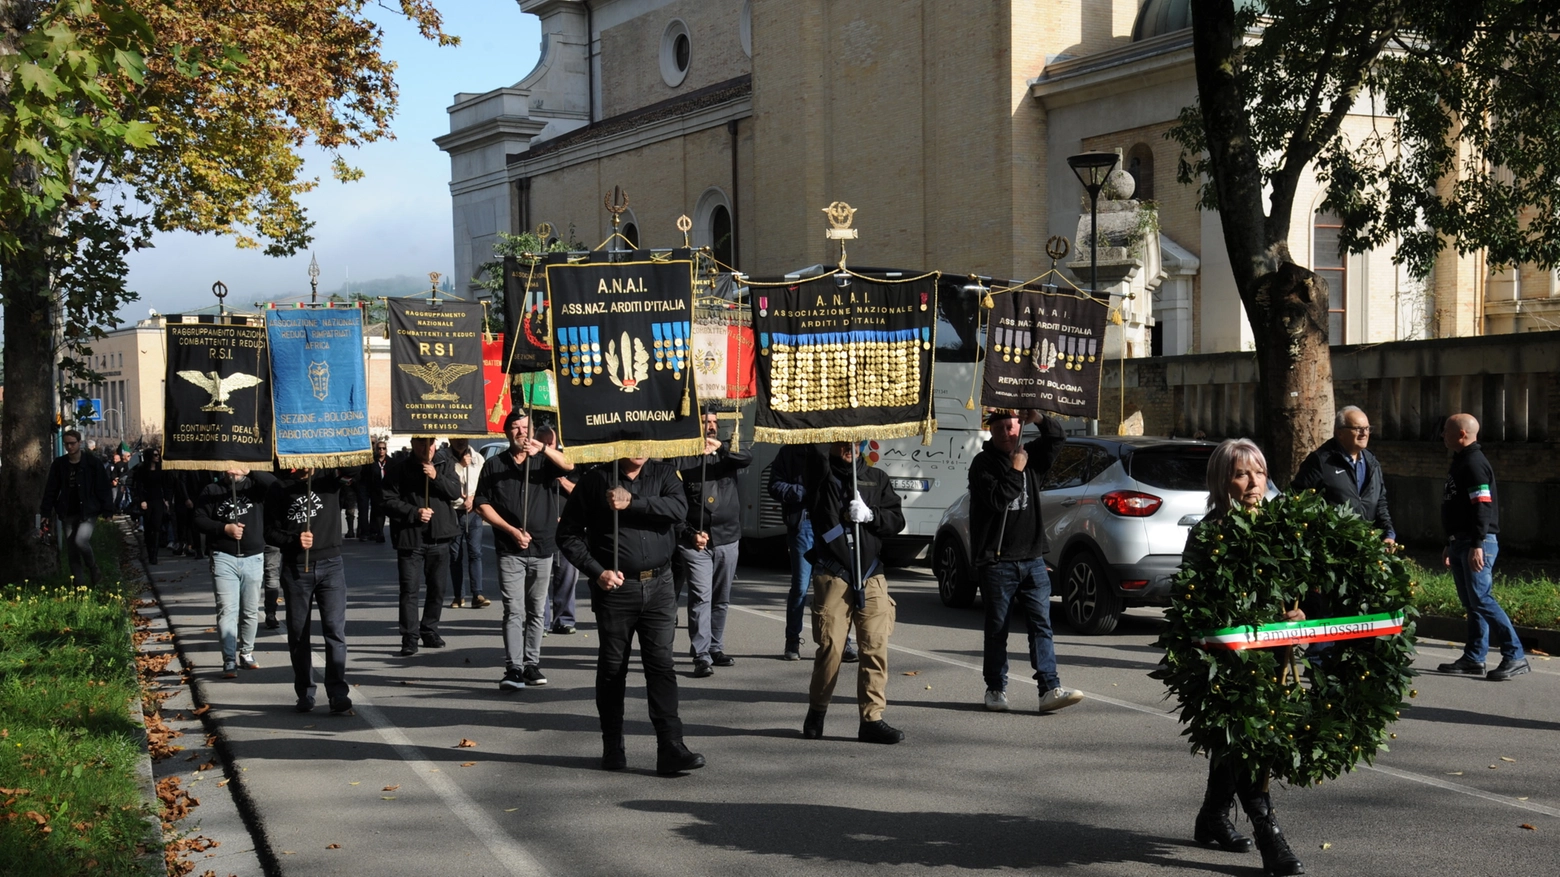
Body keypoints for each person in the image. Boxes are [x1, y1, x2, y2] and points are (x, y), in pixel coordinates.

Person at [1179, 439, 1305, 876]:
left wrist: (1296, 609)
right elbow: (1191, 600)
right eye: (1241, 474)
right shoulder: (1207, 533)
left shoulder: (1278, 526)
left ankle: (1213, 816)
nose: (1253, 483)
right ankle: (1270, 837)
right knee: (1247, 741)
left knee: (1243, 740)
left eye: (1259, 473)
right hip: (1228, 659)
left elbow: (1292, 587)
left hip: (1272, 655)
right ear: (1222, 481)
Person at [557, 455, 704, 776]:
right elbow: (567, 535)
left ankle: (671, 746)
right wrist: (597, 572)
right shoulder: (596, 480)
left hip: (661, 585)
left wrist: (633, 502)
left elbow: (678, 510)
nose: (637, 449)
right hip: (615, 590)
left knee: (662, 666)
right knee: (613, 668)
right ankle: (612, 745)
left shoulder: (664, 474)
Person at [967, 409, 1083, 714]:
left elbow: (1057, 438)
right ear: (991, 430)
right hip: (998, 560)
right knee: (997, 629)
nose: (1008, 433)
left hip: (1031, 557)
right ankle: (995, 688)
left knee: (1041, 625)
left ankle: (1049, 688)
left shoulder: (1031, 456)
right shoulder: (982, 465)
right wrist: (1016, 470)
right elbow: (997, 500)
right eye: (1001, 427)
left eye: (1013, 426)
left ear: (1021, 427)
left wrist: (1039, 418)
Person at [800, 441, 906, 745]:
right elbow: (813, 456)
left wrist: (872, 516)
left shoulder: (877, 478)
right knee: (831, 648)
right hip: (834, 573)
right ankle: (817, 710)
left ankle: (872, 718)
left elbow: (897, 520)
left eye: (855, 439)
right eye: (842, 438)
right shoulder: (820, 476)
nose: (849, 445)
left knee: (874, 647)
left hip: (872, 574)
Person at [475, 412, 574, 691]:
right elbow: (482, 504)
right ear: (506, 433)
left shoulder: (544, 461)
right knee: (513, 610)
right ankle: (514, 667)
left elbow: (569, 464)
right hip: (510, 550)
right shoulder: (494, 465)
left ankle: (532, 664)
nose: (521, 432)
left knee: (536, 611)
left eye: (525, 427)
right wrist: (511, 530)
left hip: (543, 548)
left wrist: (543, 448)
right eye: (515, 427)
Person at [1435, 413, 1528, 681]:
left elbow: (1482, 506)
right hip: (1460, 542)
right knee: (1472, 602)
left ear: (1462, 434)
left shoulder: (1474, 463)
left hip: (1477, 543)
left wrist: (1477, 544)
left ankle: (1515, 654)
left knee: (1482, 599)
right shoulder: (1461, 461)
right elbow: (1458, 507)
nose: (1443, 435)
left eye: (1446, 431)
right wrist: (1449, 542)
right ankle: (1475, 658)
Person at [266, 468, 354, 713]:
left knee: (335, 630)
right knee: (298, 633)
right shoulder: (279, 487)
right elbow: (269, 531)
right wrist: (294, 540)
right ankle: (305, 692)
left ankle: (337, 692)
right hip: (296, 569)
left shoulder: (329, 479)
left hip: (331, 565)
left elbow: (353, 471)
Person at [675, 412, 752, 678]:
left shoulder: (727, 456)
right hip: (696, 541)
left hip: (728, 538)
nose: (710, 427)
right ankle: (701, 654)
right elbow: (675, 505)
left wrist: (721, 448)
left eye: (714, 423)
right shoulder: (682, 458)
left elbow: (747, 458)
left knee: (721, 599)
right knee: (700, 597)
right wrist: (688, 533)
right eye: (705, 422)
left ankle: (716, 648)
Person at [769, 443, 856, 662]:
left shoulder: (833, 446)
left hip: (831, 525)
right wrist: (804, 490)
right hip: (803, 525)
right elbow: (775, 486)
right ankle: (792, 641)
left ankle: (843, 642)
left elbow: (849, 478)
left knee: (837, 585)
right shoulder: (789, 451)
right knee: (800, 587)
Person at [193, 467, 278, 678]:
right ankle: (229, 659)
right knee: (227, 610)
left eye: (238, 464)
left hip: (253, 557)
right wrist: (224, 528)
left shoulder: (255, 487)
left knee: (250, 610)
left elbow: (275, 485)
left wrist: (249, 471)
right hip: (224, 557)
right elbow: (199, 518)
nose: (233, 469)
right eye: (229, 464)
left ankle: (247, 652)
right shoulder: (212, 489)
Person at [383, 436, 461, 656]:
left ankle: (430, 630)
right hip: (411, 539)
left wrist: (436, 477)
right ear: (413, 444)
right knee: (409, 590)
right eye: (421, 443)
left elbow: (455, 492)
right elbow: (386, 500)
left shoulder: (444, 465)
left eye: (431, 443)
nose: (427, 447)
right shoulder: (399, 468)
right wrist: (413, 512)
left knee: (437, 589)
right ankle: (409, 636)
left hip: (439, 537)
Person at [1293, 405, 1395, 542]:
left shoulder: (1372, 462)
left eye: (1367, 428)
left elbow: (1380, 503)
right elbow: (1298, 501)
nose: (1364, 433)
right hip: (1333, 550)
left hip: (1367, 546)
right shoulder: (1321, 461)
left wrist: (1388, 534)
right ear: (1339, 433)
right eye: (1358, 429)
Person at [40, 429, 114, 584]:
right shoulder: (60, 464)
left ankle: (93, 567)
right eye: (66, 444)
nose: (69, 447)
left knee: (81, 540)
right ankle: (79, 586)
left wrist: (107, 510)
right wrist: (46, 512)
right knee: (72, 550)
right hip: (67, 510)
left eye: (72, 443)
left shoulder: (92, 463)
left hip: (88, 510)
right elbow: (51, 489)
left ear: (79, 443)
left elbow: (103, 487)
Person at [539, 426, 581, 635]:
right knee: (541, 578)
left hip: (567, 529)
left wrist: (564, 482)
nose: (546, 446)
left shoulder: (569, 463)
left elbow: (581, 492)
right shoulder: (535, 465)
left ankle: (564, 619)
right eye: (542, 442)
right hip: (542, 531)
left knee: (567, 575)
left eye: (550, 443)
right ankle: (543, 622)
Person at [449, 439, 491, 609]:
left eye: (463, 439)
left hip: (473, 513)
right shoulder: (445, 459)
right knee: (455, 555)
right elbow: (446, 483)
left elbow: (483, 485)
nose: (460, 442)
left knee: (475, 553)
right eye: (457, 439)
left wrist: (474, 499)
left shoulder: (478, 459)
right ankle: (459, 595)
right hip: (454, 512)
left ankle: (477, 593)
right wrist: (460, 465)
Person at [132, 448, 178, 564]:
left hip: (158, 500)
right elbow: (138, 486)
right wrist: (142, 500)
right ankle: (149, 551)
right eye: (155, 455)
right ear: (149, 456)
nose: (157, 457)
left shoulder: (160, 469)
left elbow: (165, 485)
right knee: (148, 528)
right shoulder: (142, 469)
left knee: (157, 526)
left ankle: (154, 555)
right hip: (147, 500)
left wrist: (166, 500)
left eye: (158, 455)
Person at [358, 441, 389, 542]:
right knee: (364, 510)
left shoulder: (390, 461)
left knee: (378, 510)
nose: (381, 450)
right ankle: (364, 532)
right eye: (379, 448)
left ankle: (376, 531)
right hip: (368, 487)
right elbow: (363, 474)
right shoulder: (370, 461)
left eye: (383, 448)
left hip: (380, 489)